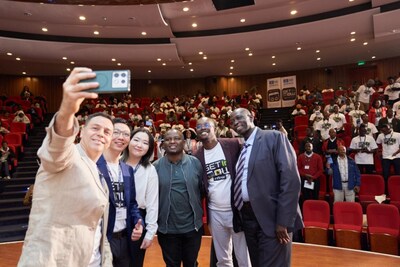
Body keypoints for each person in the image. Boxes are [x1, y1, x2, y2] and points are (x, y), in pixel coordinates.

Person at [18, 67, 114, 266]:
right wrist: (68, 109)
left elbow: (97, 227)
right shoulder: (67, 155)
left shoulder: (99, 175)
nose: (101, 133)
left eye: (107, 131)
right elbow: (58, 144)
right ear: (81, 131)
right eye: (95, 128)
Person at [229, 108, 303, 267]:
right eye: (232, 121)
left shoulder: (274, 138)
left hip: (272, 218)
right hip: (248, 219)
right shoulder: (242, 149)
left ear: (251, 116)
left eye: (239, 117)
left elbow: (291, 181)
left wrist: (283, 221)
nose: (235, 122)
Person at [194, 117, 251, 267]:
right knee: (223, 259)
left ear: (215, 127)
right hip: (215, 213)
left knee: (243, 257)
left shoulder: (232, 144)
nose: (202, 128)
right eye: (198, 126)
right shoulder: (197, 156)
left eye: (206, 125)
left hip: (236, 210)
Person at [153, 129, 204, 267]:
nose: (172, 141)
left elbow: (201, 191)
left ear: (183, 142)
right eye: (168, 139)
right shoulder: (155, 167)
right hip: (167, 229)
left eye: (176, 138)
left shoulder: (195, 163)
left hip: (193, 228)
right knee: (171, 265)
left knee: (191, 264)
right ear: (163, 144)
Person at [97, 118, 143, 266]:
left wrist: (138, 221)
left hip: (124, 238)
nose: (121, 137)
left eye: (125, 134)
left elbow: (132, 204)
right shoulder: (94, 165)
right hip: (102, 239)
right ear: (107, 135)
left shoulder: (127, 169)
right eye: (116, 132)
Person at [123, 128, 159, 267]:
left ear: (149, 148)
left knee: (134, 262)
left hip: (137, 220)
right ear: (129, 141)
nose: (139, 145)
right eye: (136, 140)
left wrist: (150, 233)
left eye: (145, 142)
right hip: (115, 216)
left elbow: (152, 203)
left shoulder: (150, 170)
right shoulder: (115, 162)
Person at [376, 123, 400, 191]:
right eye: (382, 131)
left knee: (398, 174)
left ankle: (397, 188)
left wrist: (396, 153)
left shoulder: (398, 135)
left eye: (384, 131)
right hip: (386, 157)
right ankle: (386, 190)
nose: (383, 133)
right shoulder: (381, 135)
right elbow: (377, 144)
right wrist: (378, 153)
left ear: (389, 129)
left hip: (397, 157)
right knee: (385, 175)